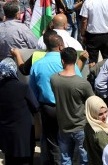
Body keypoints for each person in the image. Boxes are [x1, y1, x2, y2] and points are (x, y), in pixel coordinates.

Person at [29, 34, 83, 165]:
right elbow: (79, 83)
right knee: (69, 138)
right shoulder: (69, 64)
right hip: (69, 108)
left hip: (48, 109)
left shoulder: (37, 65)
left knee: (51, 140)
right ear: (60, 47)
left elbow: (32, 90)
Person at [51, 47, 94, 165]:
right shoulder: (83, 83)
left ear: (62, 61)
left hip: (63, 126)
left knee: (65, 159)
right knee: (84, 159)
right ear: (75, 60)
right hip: (81, 126)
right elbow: (92, 102)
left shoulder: (54, 79)